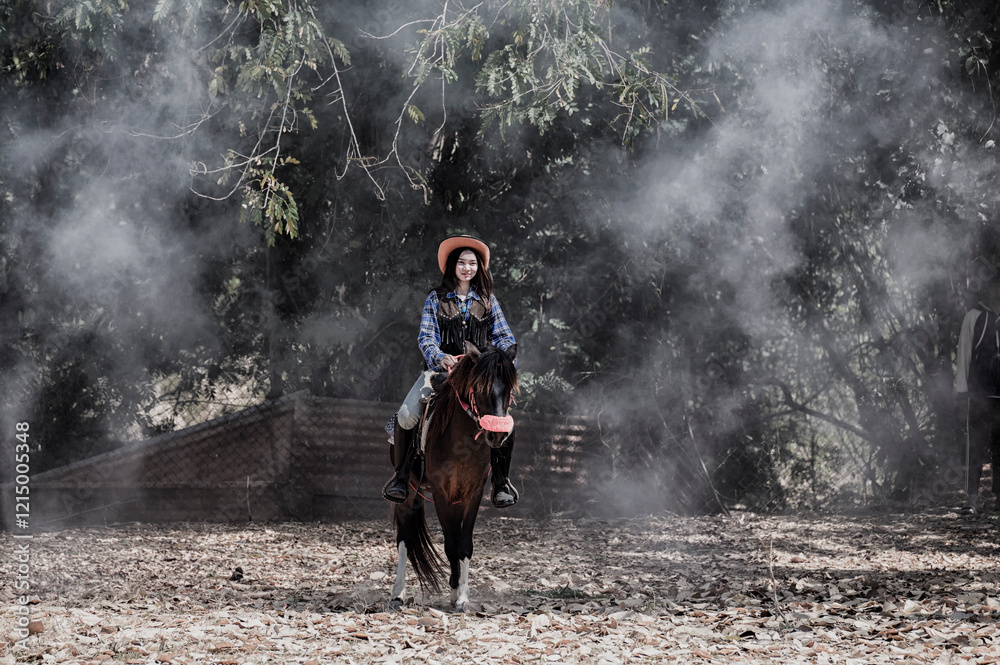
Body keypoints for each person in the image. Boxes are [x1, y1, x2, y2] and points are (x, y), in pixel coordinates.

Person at [383, 234, 519, 508]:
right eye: (461, 263)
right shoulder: (435, 298)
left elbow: (505, 338)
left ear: (479, 268)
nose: (467, 268)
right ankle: (401, 476)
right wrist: (440, 357)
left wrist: (498, 360)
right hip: (440, 373)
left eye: (472, 263)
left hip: (477, 377)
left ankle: (501, 482)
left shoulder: (488, 300)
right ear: (452, 266)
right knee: (407, 415)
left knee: (504, 420)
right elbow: (426, 337)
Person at [955, 274, 1000, 515]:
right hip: (979, 395)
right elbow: (963, 356)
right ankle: (972, 499)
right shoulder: (973, 317)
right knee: (976, 447)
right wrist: (962, 393)